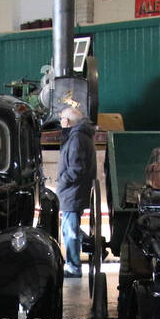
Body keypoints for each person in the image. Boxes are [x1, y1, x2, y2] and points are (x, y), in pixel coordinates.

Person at [56, 104, 96, 278]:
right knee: (71, 226)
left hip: (72, 191)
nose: (60, 123)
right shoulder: (80, 136)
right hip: (74, 191)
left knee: (70, 230)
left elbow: (76, 168)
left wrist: (62, 181)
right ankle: (94, 246)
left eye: (61, 119)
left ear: (67, 121)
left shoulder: (77, 138)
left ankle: (73, 266)